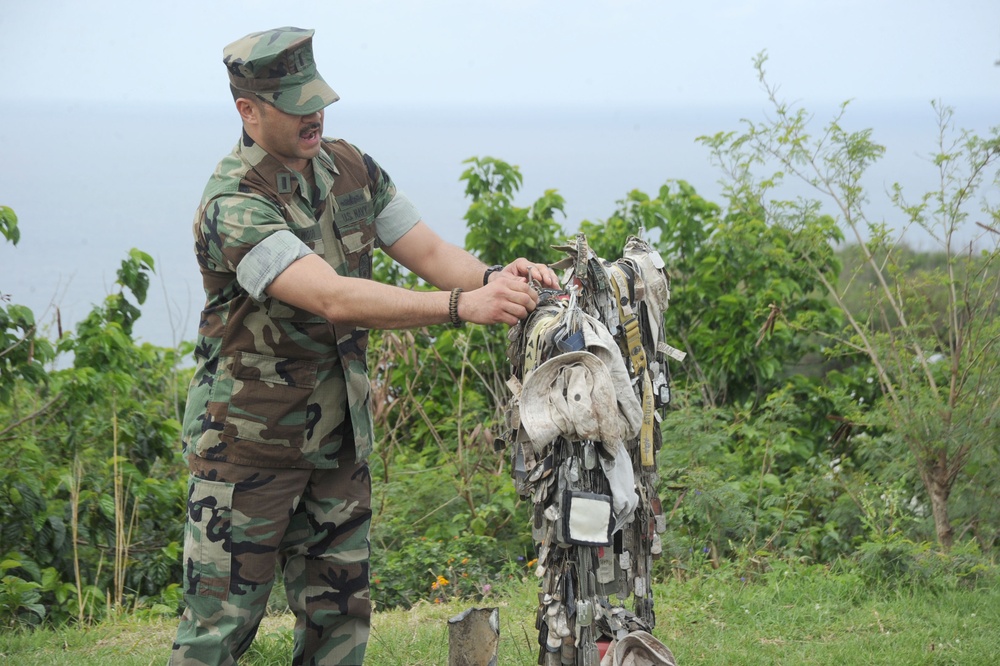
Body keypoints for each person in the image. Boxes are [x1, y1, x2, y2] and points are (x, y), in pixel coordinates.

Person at [169, 26, 559, 666]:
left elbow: (430, 252)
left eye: (317, 97)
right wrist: (463, 308)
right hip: (248, 449)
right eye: (296, 104)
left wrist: (494, 279)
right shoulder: (234, 204)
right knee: (218, 632)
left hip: (337, 440)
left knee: (340, 623)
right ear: (249, 110)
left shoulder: (351, 168)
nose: (315, 113)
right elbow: (332, 297)